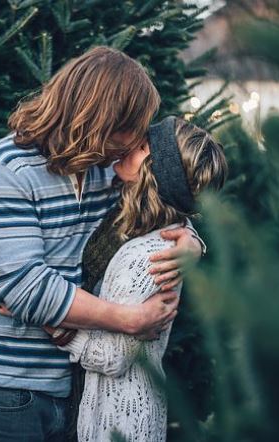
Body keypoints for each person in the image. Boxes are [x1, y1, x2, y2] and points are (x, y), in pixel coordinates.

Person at [0, 47, 205, 442]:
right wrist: (129, 320)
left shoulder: (105, 169)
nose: (137, 139)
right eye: (131, 127)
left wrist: (191, 241)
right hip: (4, 389)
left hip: (77, 385)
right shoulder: (2, 168)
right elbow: (26, 289)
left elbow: (161, 200)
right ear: (97, 117)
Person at [58, 116, 227, 441]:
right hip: (98, 403)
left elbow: (113, 357)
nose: (129, 145)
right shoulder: (128, 215)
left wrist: (45, 318)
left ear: (157, 173)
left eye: (143, 146)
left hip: (120, 417)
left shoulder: (152, 256)